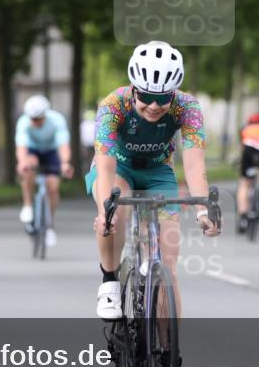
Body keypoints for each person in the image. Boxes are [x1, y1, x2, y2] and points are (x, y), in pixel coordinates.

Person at [87, 41, 220, 319]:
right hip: (118, 168)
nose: (154, 106)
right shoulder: (113, 105)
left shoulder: (187, 107)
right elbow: (106, 164)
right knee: (116, 210)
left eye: (163, 98)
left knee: (167, 269)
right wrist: (104, 212)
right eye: (146, 96)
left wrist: (203, 210)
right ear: (134, 89)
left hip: (159, 171)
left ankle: (170, 356)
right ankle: (109, 281)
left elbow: (194, 165)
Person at [15, 95, 74, 247]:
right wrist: (22, 163)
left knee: (52, 186)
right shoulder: (23, 123)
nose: (35, 122)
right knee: (29, 165)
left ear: (45, 115)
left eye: (38, 119)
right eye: (32, 119)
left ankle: (50, 223)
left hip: (51, 152)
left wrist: (65, 163)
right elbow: (21, 147)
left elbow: (63, 145)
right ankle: (27, 204)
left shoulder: (56, 120)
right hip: (33, 151)